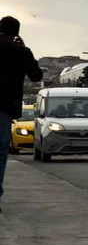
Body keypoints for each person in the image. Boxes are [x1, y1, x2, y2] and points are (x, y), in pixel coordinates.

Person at [0, 16, 43, 212]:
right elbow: (36, 76)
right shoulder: (20, 51)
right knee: (1, 153)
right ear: (17, 32)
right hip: (5, 105)